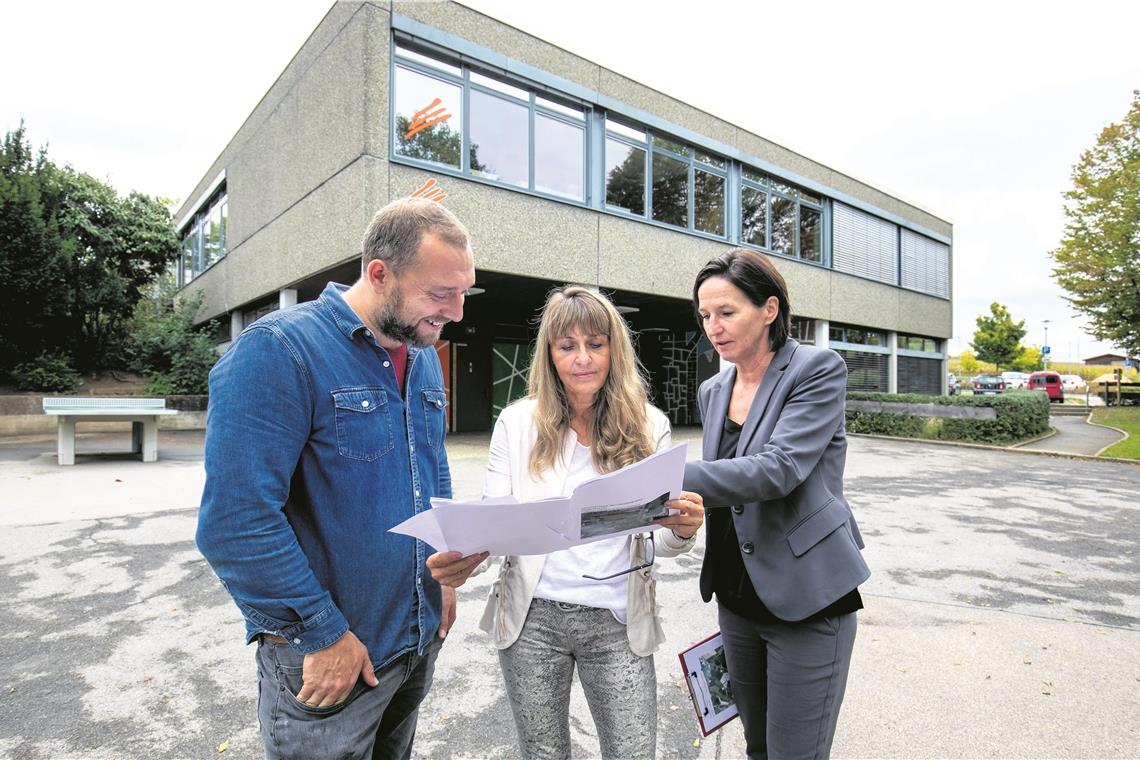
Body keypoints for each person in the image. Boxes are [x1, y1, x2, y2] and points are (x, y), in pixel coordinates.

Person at [196, 198, 485, 760]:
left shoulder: (421, 353)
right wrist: (322, 633)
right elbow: (235, 523)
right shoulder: (279, 351)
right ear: (379, 273)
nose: (456, 312)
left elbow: (429, 470)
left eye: (462, 293)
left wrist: (445, 576)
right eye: (439, 293)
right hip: (330, 657)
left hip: (415, 639)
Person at [429, 285, 705, 759]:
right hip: (533, 617)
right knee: (542, 752)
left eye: (596, 344)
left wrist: (682, 531)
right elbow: (496, 520)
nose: (583, 358)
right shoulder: (516, 424)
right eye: (567, 346)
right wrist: (464, 556)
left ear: (614, 350)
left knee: (633, 751)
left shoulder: (650, 424)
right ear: (550, 354)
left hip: (618, 617)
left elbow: (657, 539)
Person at [682, 248, 870, 760]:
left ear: (769, 309)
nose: (713, 327)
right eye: (704, 315)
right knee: (758, 747)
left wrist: (664, 475)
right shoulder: (714, 388)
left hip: (807, 596)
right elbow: (724, 488)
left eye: (727, 312)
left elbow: (779, 469)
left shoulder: (816, 369)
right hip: (737, 594)